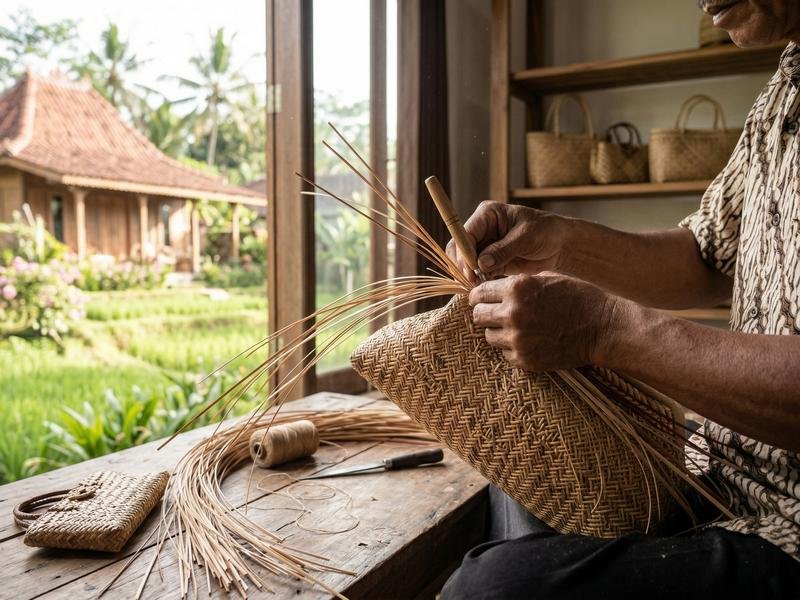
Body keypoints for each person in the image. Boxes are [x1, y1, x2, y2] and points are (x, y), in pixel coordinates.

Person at [442, 1, 800, 598]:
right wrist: (557, 240)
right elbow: (705, 257)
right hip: (731, 480)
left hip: (791, 528)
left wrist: (603, 330)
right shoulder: (783, 90)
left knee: (489, 589)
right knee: (534, 463)